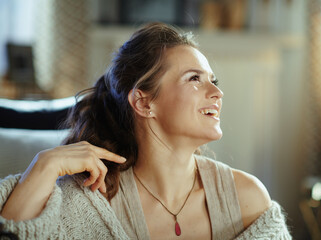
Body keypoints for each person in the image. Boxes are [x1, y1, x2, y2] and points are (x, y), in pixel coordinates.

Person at [0, 22, 291, 239]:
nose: (217, 92)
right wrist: (44, 163)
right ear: (144, 102)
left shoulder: (248, 199)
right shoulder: (91, 200)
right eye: (194, 79)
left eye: (214, 80)